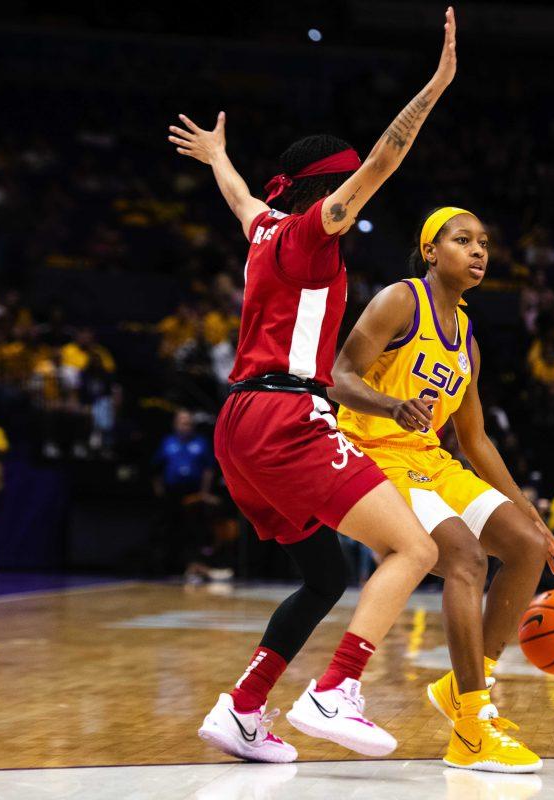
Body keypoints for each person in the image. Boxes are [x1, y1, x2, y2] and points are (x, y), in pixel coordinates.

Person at [170, 9, 457, 763]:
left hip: (235, 425)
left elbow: (239, 198)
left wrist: (217, 158)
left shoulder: (265, 229)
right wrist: (435, 86)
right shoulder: (305, 233)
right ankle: (337, 690)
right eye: (345, 196)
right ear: (330, 194)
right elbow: (384, 163)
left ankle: (241, 709)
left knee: (325, 572)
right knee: (414, 550)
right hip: (286, 415)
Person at [333, 206, 554, 773]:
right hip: (373, 454)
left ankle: (465, 684)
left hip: (431, 460)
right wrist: (392, 405)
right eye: (464, 240)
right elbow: (338, 376)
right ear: (431, 252)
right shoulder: (400, 300)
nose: (479, 251)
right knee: (461, 554)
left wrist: (531, 513)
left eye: (484, 242)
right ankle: (471, 726)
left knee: (526, 546)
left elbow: (476, 441)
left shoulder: (467, 340)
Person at [151, 409, 217, 580]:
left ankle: (194, 567)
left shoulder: (201, 443)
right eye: (182, 422)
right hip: (171, 493)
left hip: (193, 493)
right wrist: (158, 489)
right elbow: (156, 467)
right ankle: (167, 567)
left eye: (188, 422)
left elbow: (208, 469)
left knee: (193, 531)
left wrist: (204, 492)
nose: (185, 425)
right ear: (175, 424)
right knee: (170, 530)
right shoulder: (167, 442)